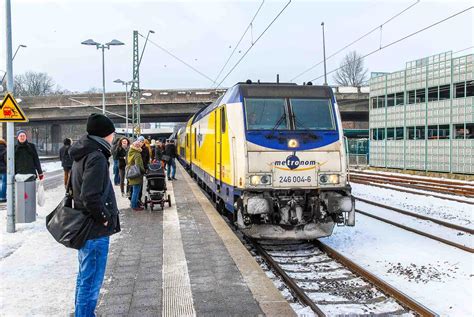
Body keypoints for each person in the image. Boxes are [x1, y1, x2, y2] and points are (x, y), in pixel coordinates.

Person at [69, 113, 121, 316]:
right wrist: (105, 217)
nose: (114, 136)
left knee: (84, 277)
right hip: (94, 230)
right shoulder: (97, 157)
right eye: (112, 133)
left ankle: (81, 313)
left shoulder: (82, 154)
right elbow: (90, 196)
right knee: (91, 282)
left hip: (84, 226)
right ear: (105, 135)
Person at [127, 138, 145, 211]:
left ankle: (133, 204)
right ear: (138, 147)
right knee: (136, 191)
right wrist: (143, 171)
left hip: (131, 173)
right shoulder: (137, 154)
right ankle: (134, 206)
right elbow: (139, 165)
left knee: (134, 190)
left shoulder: (130, 153)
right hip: (137, 175)